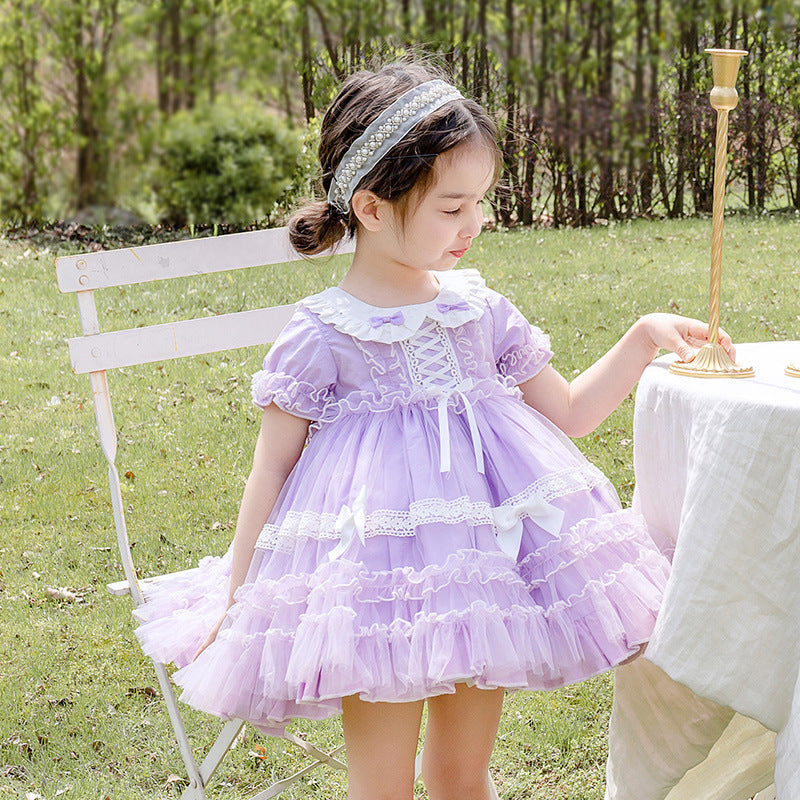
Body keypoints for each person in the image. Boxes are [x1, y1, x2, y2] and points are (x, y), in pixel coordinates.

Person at [134, 62, 735, 800]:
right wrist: (238, 589)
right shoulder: (323, 333)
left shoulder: (479, 311)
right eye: (453, 207)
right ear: (374, 207)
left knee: (460, 777)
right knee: (382, 788)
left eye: (479, 202)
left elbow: (572, 413)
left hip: (486, 576)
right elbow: (272, 470)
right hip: (372, 589)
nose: (474, 224)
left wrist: (643, 337)